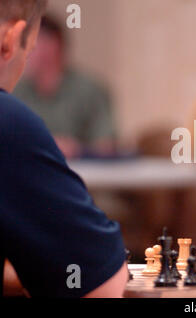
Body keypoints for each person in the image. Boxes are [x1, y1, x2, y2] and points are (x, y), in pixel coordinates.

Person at [0, 0, 128, 297]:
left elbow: (109, 143)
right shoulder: (10, 118)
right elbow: (102, 286)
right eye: (30, 50)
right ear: (10, 40)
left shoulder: (88, 88)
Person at [14, 15, 117, 159]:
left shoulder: (89, 90)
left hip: (82, 175)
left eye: (28, 44)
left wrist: (77, 149)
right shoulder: (17, 92)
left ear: (53, 46)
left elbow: (108, 145)